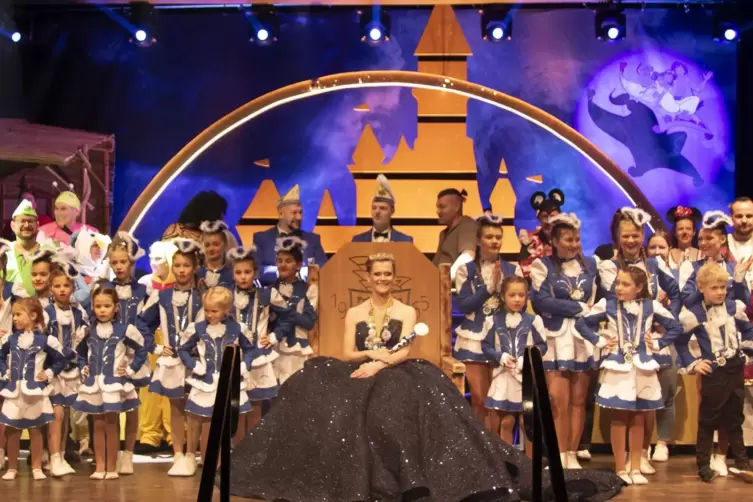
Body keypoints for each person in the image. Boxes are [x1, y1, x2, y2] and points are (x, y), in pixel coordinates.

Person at [225, 252, 623, 502]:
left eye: (387, 275)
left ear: (393, 278)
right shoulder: (356, 313)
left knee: (397, 403)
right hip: (361, 366)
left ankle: (413, 478)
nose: (381, 279)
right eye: (376, 275)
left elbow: (407, 350)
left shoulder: (408, 313)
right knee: (317, 389)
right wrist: (369, 355)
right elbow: (346, 351)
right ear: (368, 279)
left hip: (399, 370)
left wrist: (381, 362)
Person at [576, 266, 682, 486]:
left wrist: (659, 343)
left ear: (639, 287)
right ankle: (620, 468)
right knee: (619, 418)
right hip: (618, 366)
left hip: (642, 366)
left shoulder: (651, 306)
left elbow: (676, 327)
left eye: (625, 284)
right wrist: (601, 341)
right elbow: (582, 323)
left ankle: (635, 466)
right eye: (617, 283)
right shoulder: (608, 304)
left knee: (639, 417)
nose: (619, 288)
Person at [529, 213, 599, 469]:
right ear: (554, 241)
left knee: (579, 400)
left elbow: (597, 299)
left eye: (577, 239)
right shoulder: (542, 265)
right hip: (555, 337)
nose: (574, 244)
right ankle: (557, 453)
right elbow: (541, 302)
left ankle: (571, 452)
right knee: (558, 399)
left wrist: (583, 311)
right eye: (568, 239)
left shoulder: (591, 264)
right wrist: (578, 308)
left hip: (581, 337)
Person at [676, 263, 753, 483]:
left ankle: (742, 464)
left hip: (735, 368)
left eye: (723, 287)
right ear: (701, 287)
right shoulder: (694, 314)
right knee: (709, 419)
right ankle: (703, 465)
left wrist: (746, 352)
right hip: (714, 372)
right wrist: (693, 363)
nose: (720, 292)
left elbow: (748, 329)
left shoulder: (732, 307)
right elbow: (680, 342)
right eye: (714, 287)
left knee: (735, 417)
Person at [137, 238, 204, 476]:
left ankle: (192, 453)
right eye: (178, 266)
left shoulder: (202, 295)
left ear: (195, 267)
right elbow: (142, 322)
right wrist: (155, 348)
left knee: (196, 409)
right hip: (172, 360)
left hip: (198, 361)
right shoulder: (162, 296)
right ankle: (178, 455)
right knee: (176, 408)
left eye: (187, 265)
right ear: (172, 268)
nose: (182, 270)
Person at [454, 214, 522, 429]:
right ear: (478, 240)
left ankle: (501, 451)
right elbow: (464, 306)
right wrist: (488, 289)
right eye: (489, 236)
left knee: (500, 401)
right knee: (480, 399)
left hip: (503, 338)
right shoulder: (466, 270)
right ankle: (481, 451)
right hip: (474, 336)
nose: (494, 241)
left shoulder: (513, 270)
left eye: (498, 237)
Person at [74, 282, 147, 480]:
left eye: (106, 306)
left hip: (114, 384)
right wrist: (83, 367)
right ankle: (100, 466)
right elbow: (80, 354)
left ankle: (112, 467)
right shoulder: (88, 331)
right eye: (98, 306)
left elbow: (141, 350)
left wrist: (130, 369)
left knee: (112, 425)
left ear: (116, 307)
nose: (102, 310)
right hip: (95, 384)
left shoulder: (125, 330)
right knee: (97, 424)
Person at [180, 287, 254, 475]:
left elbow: (250, 349)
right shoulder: (197, 328)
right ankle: (209, 467)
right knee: (207, 426)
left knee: (234, 426)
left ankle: (235, 468)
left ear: (226, 310)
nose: (209, 314)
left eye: (214, 311)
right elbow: (183, 350)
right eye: (206, 310)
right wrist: (195, 366)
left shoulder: (238, 328)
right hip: (207, 384)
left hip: (230, 382)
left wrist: (244, 366)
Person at [0, 298, 68, 480]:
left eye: (18, 314)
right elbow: (1, 355)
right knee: (12, 430)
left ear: (33, 316)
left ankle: (37, 467)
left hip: (34, 392)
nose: (14, 318)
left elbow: (61, 359)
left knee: (36, 430)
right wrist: (4, 370)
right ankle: (12, 467)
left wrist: (49, 373)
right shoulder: (10, 339)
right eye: (13, 314)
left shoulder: (45, 340)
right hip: (14, 391)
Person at [482, 275, 546, 450]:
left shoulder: (534, 321)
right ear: (503, 297)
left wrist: (527, 358)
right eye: (512, 295)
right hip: (503, 377)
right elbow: (486, 346)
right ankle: (506, 465)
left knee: (529, 424)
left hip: (526, 377)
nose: (517, 299)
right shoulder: (493, 321)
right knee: (506, 422)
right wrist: (500, 356)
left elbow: (542, 346)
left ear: (527, 296)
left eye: (521, 295)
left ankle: (531, 467)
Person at [107, 232, 151, 474]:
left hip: (133, 354)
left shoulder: (142, 290)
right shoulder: (105, 289)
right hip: (110, 353)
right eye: (114, 262)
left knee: (132, 404)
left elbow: (147, 322)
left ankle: (128, 454)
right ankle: (108, 452)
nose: (119, 266)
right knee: (109, 404)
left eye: (123, 261)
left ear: (131, 262)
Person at [228, 246, 282, 431]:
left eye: (247, 272)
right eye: (238, 272)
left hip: (259, 356)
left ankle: (252, 452)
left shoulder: (267, 294)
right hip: (234, 356)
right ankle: (235, 452)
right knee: (234, 405)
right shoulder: (226, 295)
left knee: (256, 406)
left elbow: (289, 316)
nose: (243, 276)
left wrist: (275, 335)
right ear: (233, 274)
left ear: (255, 273)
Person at [45, 262, 86, 478]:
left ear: (72, 288)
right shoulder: (46, 312)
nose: (62, 289)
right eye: (57, 286)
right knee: (57, 413)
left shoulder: (77, 312)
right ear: (51, 288)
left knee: (66, 414)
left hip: (70, 368)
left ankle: (60, 454)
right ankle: (53, 456)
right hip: (52, 367)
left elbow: (81, 336)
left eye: (66, 286)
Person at [260, 236, 317, 385]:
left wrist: (287, 311)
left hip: (296, 351)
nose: (283, 265)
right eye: (280, 261)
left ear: (298, 265)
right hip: (273, 349)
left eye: (288, 261)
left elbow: (309, 322)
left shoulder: (309, 290)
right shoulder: (269, 291)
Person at [644, 231, 679, 463]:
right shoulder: (644, 269)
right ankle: (643, 443)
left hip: (665, 337)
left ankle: (663, 442)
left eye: (662, 247)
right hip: (641, 337)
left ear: (670, 249)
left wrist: (668, 317)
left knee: (666, 393)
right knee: (643, 393)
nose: (657, 252)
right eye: (653, 247)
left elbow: (677, 295)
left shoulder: (672, 273)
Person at [253, 185, 327, 286]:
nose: (299, 217)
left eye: (300, 212)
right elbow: (255, 270)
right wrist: (285, 271)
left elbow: (324, 269)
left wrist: (303, 273)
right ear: (281, 213)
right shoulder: (262, 239)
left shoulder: (313, 239)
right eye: (294, 213)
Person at [679, 211, 752, 309]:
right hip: (701, 322)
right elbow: (687, 302)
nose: (703, 243)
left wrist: (738, 280)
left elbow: (745, 303)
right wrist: (705, 284)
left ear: (722, 239)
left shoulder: (735, 267)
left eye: (709, 238)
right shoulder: (689, 267)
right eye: (700, 239)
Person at [518, 189, 565, 280]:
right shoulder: (530, 241)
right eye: (545, 216)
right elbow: (523, 269)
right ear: (538, 218)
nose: (549, 221)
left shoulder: (568, 240)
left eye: (553, 216)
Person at [352, 174, 413, 243]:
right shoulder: (357, 241)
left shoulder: (405, 241)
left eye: (382, 208)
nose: (377, 212)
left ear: (392, 211)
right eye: (374, 208)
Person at [433, 188, 477, 281]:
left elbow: (468, 256)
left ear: (457, 207)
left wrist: (445, 280)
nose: (438, 211)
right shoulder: (443, 234)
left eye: (442, 207)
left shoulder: (467, 224)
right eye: (437, 207)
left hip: (453, 290)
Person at [6, 200, 41, 297]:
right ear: (13, 226)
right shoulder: (4, 252)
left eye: (30, 221)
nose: (26, 225)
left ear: (37, 225)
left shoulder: (47, 253)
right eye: (22, 221)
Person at [198, 220, 234, 290]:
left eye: (216, 244)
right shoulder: (197, 274)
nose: (211, 249)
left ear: (225, 244)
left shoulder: (233, 274)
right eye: (207, 245)